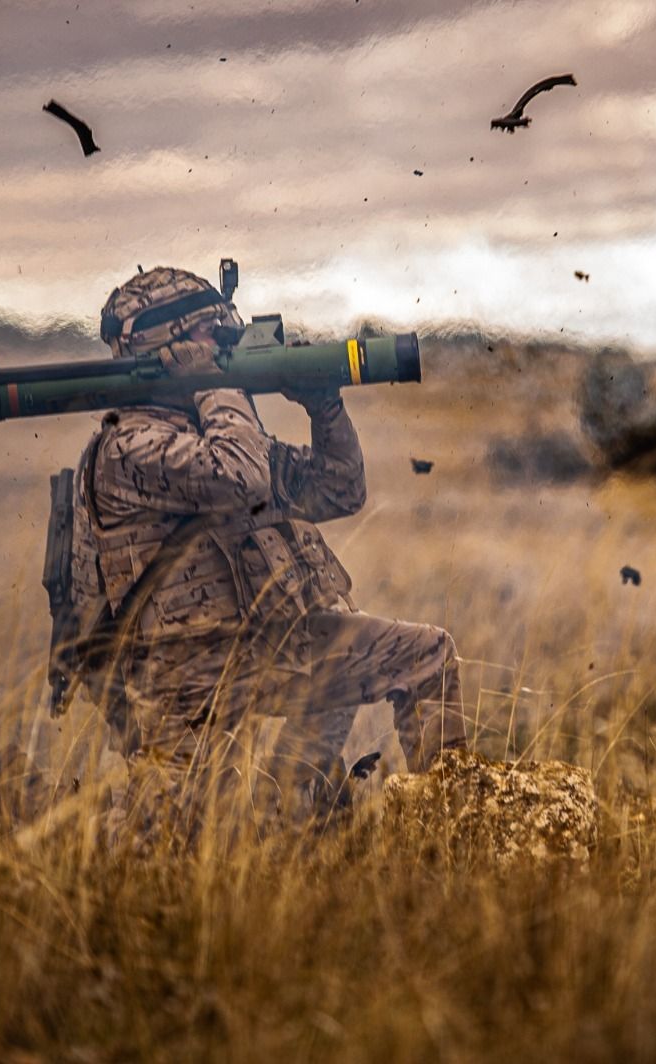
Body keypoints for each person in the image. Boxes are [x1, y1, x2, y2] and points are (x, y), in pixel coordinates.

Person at [68, 266, 465, 838]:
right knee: (182, 839)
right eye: (214, 338)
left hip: (268, 647)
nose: (227, 348)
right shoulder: (128, 446)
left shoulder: (212, 429)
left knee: (426, 655)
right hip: (186, 674)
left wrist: (323, 408)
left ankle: (453, 829)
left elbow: (339, 489)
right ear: (170, 347)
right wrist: (215, 386)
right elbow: (240, 477)